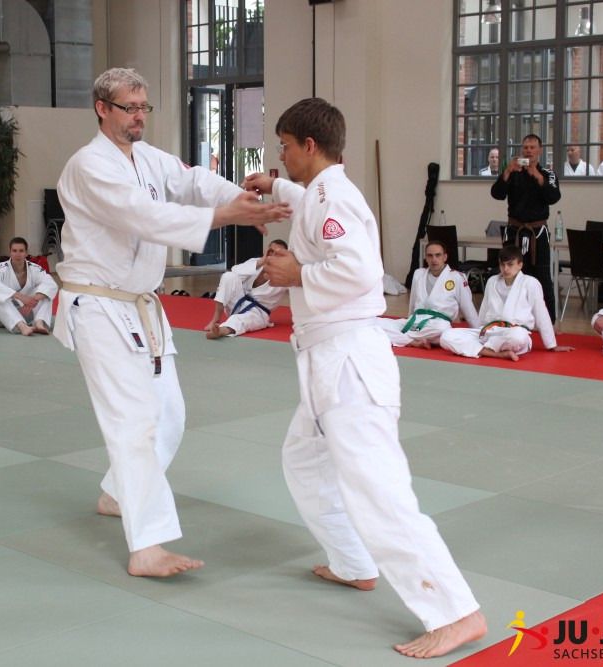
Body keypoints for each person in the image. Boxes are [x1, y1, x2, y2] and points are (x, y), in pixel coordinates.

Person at [243, 97, 486, 660]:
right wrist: (275, 186)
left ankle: (455, 611)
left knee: (378, 490)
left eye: (284, 146)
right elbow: (307, 202)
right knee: (304, 461)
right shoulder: (319, 191)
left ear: (309, 146)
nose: (280, 153)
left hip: (349, 362)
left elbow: (359, 269)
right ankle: (354, 562)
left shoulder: (335, 196)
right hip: (326, 360)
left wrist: (297, 272)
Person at [52, 68, 290, 578]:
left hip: (140, 306)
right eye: (129, 108)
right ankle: (147, 546)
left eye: (144, 107)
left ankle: (117, 492)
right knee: (133, 420)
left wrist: (242, 198)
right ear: (102, 109)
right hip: (98, 307)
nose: (139, 116)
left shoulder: (146, 158)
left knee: (170, 415)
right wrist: (224, 217)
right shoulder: (89, 166)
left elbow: (192, 180)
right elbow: (144, 216)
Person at [440, 245, 574, 361]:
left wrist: (552, 345)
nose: (505, 269)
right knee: (447, 336)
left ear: (520, 265)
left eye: (510, 264)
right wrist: (479, 331)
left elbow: (541, 313)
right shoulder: (492, 281)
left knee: (519, 337)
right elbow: (484, 309)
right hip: (490, 332)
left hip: (513, 333)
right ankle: (496, 353)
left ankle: (482, 349)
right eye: (502, 265)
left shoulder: (530, 283)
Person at [491, 133, 561, 322]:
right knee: (510, 273)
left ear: (540, 150)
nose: (528, 151)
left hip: (538, 233)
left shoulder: (548, 174)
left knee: (542, 276)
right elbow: (496, 194)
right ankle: (510, 317)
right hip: (515, 231)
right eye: (526, 147)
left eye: (532, 147)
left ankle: (548, 321)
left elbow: (554, 197)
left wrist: (537, 176)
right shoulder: (513, 172)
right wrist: (507, 172)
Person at [376, 241, 480, 348]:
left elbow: (468, 308)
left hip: (437, 325)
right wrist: (409, 320)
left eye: (438, 255)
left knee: (443, 329)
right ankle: (414, 340)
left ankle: (404, 338)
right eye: (430, 256)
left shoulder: (456, 277)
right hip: (416, 322)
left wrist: (479, 334)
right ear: (426, 258)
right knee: (375, 322)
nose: (434, 259)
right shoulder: (418, 274)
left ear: (445, 257)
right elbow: (412, 303)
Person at [204, 239, 289, 339]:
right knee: (229, 276)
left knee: (243, 320)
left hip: (257, 313)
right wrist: (260, 262)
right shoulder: (256, 262)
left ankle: (221, 330)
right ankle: (216, 319)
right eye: (271, 251)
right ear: (266, 251)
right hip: (237, 302)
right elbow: (235, 271)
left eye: (278, 254)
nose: (273, 255)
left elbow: (299, 288)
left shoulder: (285, 276)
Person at [0, 237, 58, 335]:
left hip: (26, 312)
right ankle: (21, 326)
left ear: (26, 253)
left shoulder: (34, 268)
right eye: (14, 251)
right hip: (1, 316)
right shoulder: (0, 268)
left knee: (45, 293)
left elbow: (51, 283)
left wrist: (34, 299)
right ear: (10, 252)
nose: (17, 254)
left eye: (21, 251)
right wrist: (22, 297)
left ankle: (39, 322)